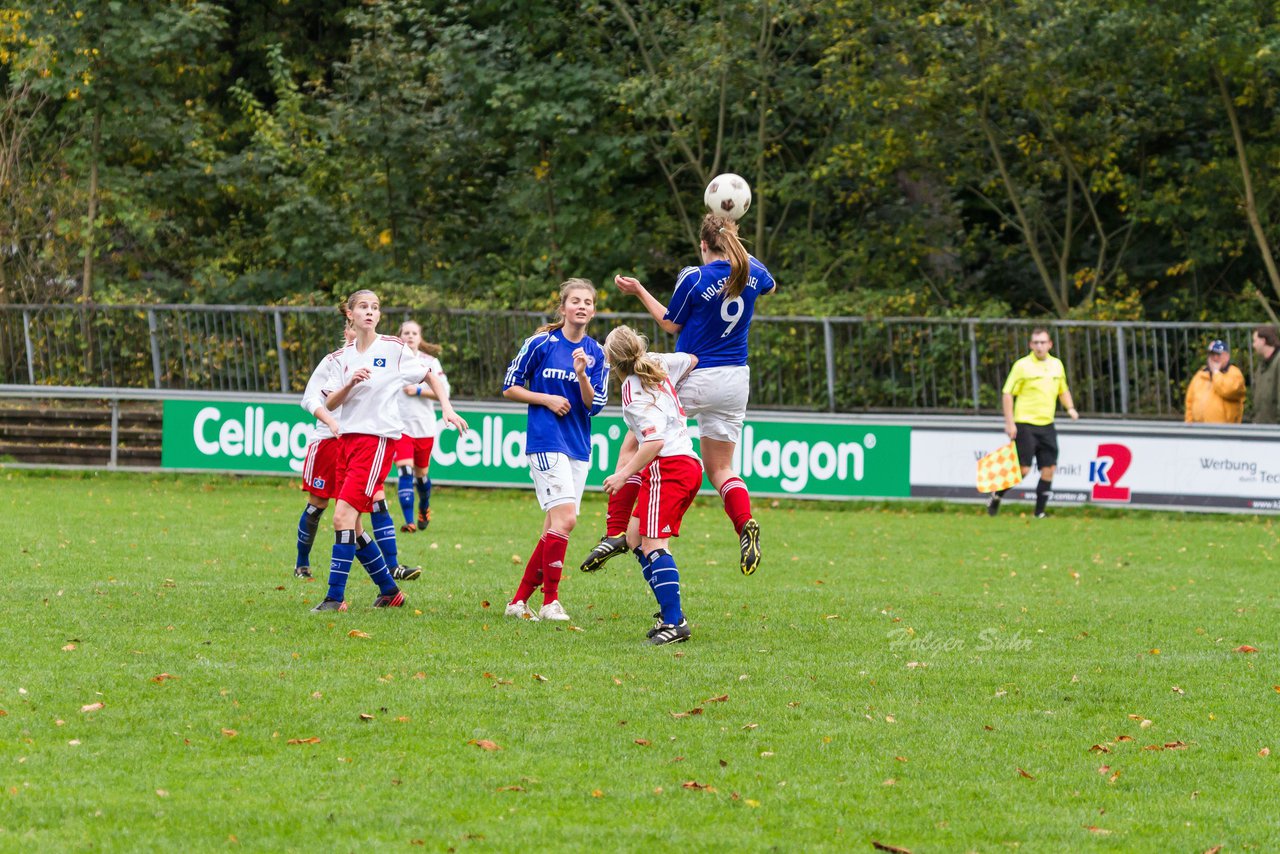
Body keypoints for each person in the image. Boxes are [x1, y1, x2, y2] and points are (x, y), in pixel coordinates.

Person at [583, 212, 775, 577]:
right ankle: (744, 523)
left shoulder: (694, 276)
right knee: (721, 469)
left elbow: (670, 323)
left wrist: (639, 290)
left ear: (703, 245)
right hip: (736, 379)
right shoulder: (752, 268)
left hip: (699, 371)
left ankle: (615, 531)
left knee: (637, 438)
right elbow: (771, 286)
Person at [311, 289, 468, 612]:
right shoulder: (342, 358)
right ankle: (389, 591)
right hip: (347, 443)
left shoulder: (393, 348)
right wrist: (350, 383)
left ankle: (334, 598)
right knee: (352, 526)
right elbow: (329, 402)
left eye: (375, 307)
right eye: (363, 307)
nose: (370, 312)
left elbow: (430, 376)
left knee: (341, 517)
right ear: (350, 315)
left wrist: (447, 409)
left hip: (377, 441)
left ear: (379, 316)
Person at [502, 279, 609, 623]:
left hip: (578, 445)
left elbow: (594, 407)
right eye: (575, 301)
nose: (582, 306)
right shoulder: (540, 343)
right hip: (546, 442)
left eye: (588, 302)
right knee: (566, 519)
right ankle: (551, 602)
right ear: (562, 308)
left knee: (555, 526)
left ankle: (518, 602)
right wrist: (544, 398)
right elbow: (510, 386)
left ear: (593, 310)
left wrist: (581, 376)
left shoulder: (596, 353)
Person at [601, 325, 701, 645]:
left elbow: (654, 442)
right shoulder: (657, 361)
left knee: (654, 546)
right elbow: (692, 360)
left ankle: (675, 623)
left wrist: (622, 474)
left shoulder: (632, 390)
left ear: (612, 360)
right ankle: (670, 615)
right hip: (685, 463)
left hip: (668, 467)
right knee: (634, 539)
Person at [987, 326, 1079, 519]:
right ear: (1031, 344)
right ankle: (997, 494)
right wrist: (1010, 423)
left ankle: (1039, 513)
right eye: (1036, 343)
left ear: (1050, 344)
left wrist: (1070, 407)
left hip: (1047, 424)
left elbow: (1063, 389)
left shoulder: (1056, 365)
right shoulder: (1022, 366)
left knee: (1049, 469)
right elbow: (1007, 393)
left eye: (1043, 342)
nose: (1039, 346)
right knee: (1024, 469)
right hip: (1025, 423)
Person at [293, 317, 356, 579]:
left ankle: (389, 568)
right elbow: (308, 399)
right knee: (317, 505)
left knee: (366, 506)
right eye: (353, 326)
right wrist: (330, 421)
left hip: (359, 443)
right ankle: (302, 562)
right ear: (347, 331)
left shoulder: (379, 360)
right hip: (328, 444)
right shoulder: (333, 360)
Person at [393, 321, 449, 554]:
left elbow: (443, 391)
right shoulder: (392, 360)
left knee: (421, 476)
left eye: (414, 333)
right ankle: (409, 522)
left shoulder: (429, 362)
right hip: (400, 427)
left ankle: (424, 506)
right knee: (404, 471)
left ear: (420, 337)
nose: (410, 336)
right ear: (400, 336)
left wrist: (418, 390)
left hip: (424, 428)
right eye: (405, 332)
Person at [1185, 339, 1246, 424]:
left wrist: (1216, 373)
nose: (1215, 358)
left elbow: (1229, 390)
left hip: (1225, 430)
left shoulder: (1234, 373)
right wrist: (1189, 424)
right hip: (1199, 429)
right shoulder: (1200, 375)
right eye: (1212, 355)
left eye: (1218, 354)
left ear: (1227, 356)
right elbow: (1189, 402)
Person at [1250, 325, 1280, 424]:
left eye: (1254, 341)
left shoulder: (1277, 362)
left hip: (1274, 428)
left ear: (1263, 341)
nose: (1253, 345)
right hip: (1262, 425)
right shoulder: (1261, 365)